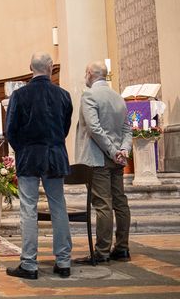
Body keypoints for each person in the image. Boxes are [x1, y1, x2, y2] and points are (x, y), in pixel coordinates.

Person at [5, 52, 73, 279]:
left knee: (28, 209)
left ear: (30, 67)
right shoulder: (63, 95)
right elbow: (64, 127)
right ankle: (63, 262)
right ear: (52, 68)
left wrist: (23, 149)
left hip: (29, 157)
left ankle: (29, 264)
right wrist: (52, 143)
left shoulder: (19, 95)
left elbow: (10, 131)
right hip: (54, 154)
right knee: (58, 207)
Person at [74, 61, 132, 264]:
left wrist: (113, 151)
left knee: (103, 205)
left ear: (90, 73)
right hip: (116, 159)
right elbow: (127, 128)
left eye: (85, 72)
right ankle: (122, 248)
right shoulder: (118, 96)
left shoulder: (88, 95)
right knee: (120, 202)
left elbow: (94, 129)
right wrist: (123, 150)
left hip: (98, 158)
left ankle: (102, 252)